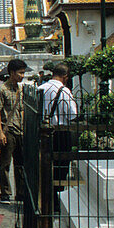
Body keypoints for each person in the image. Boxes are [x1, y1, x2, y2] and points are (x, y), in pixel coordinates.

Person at [0, 58, 28, 204]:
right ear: (12, 73)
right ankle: (5, 192)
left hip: (20, 130)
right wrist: (0, 132)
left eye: (23, 73)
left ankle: (20, 192)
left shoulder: (21, 89)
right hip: (8, 129)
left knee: (20, 164)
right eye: (20, 73)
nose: (22, 76)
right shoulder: (2, 89)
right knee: (5, 163)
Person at [39, 63, 78, 198]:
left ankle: (45, 197)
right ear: (65, 77)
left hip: (43, 132)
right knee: (61, 168)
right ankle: (57, 198)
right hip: (61, 132)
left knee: (44, 166)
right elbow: (73, 115)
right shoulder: (65, 91)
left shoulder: (41, 88)